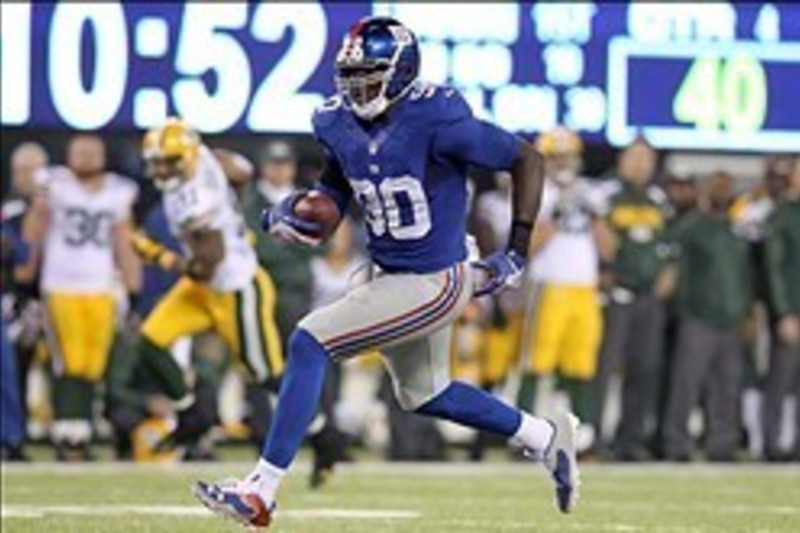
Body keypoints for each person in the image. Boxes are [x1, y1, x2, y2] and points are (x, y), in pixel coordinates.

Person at [195, 17, 579, 528]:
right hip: (389, 270)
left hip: (429, 280)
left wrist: (517, 250)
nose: (356, 87)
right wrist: (307, 212)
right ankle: (545, 437)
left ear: (402, 74)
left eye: (369, 75)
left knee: (311, 341)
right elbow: (337, 189)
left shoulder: (439, 118)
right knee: (425, 394)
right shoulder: (334, 121)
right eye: (349, 75)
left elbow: (527, 160)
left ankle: (262, 489)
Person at [134, 119, 344, 485]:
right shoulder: (206, 157)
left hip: (235, 288)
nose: (161, 168)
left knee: (266, 374)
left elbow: (205, 264)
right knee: (150, 342)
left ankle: (325, 436)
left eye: (168, 161)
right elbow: (242, 171)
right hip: (203, 288)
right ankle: (191, 414)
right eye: (159, 161)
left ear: (184, 159)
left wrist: (158, 255)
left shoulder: (196, 200)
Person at [19, 135, 142, 460]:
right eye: (80, 152)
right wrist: (38, 211)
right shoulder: (54, 183)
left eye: (92, 153)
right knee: (69, 360)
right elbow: (32, 234)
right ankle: (66, 434)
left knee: (93, 362)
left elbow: (124, 242)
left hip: (100, 286)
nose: (86, 158)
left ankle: (80, 432)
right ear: (68, 155)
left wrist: (133, 289)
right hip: (60, 284)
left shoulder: (118, 190)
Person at [516, 127, 616, 453]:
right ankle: (524, 435)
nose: (563, 163)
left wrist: (594, 215)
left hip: (585, 290)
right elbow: (526, 247)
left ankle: (583, 437)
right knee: (536, 363)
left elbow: (609, 250)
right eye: (556, 157)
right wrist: (557, 216)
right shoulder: (534, 191)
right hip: (549, 287)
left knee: (582, 364)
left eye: (567, 156)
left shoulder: (591, 192)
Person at [591, 137, 672, 461]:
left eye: (647, 158)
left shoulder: (657, 198)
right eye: (636, 157)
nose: (641, 164)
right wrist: (602, 268)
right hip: (615, 294)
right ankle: (594, 438)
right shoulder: (604, 193)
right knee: (604, 368)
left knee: (645, 368)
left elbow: (668, 243)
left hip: (648, 296)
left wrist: (669, 272)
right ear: (623, 159)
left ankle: (630, 440)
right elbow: (591, 232)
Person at [663, 171, 751, 462]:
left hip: (730, 318)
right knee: (686, 384)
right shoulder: (690, 228)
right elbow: (676, 271)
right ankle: (677, 444)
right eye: (716, 186)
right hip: (697, 317)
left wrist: (746, 311)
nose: (721, 192)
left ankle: (722, 444)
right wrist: (683, 310)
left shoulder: (735, 230)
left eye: (726, 187)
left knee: (726, 386)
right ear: (704, 191)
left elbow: (744, 276)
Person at [240, 141, 317, 348]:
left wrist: (281, 237)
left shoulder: (308, 201)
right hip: (260, 288)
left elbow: (319, 243)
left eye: (285, 164)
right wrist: (295, 238)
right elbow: (259, 248)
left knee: (298, 352)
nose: (280, 170)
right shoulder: (249, 201)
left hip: (298, 291)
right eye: (274, 164)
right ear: (264, 167)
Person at [761, 157, 800, 461]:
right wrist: (784, 311)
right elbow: (773, 268)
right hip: (793, 313)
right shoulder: (783, 215)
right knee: (780, 380)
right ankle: (771, 444)